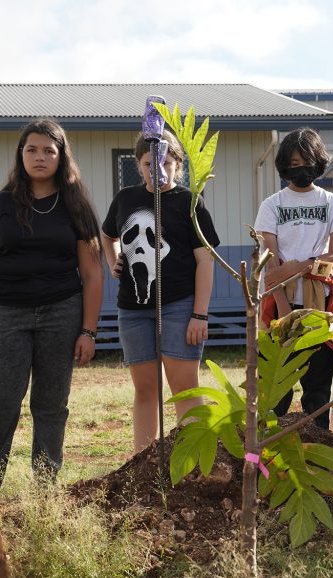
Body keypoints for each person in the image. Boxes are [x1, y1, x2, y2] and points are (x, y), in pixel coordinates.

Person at [0, 119, 103, 488]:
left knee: (50, 405)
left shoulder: (77, 207)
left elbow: (93, 275)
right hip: (7, 314)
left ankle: (45, 491)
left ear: (61, 157)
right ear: (21, 155)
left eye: (48, 150)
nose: (40, 157)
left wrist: (89, 330)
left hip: (62, 312)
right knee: (0, 403)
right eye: (32, 149)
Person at [101, 131, 219, 453]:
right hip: (133, 309)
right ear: (138, 164)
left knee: (184, 388)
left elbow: (205, 262)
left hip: (180, 307)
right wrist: (113, 260)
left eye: (165, 162)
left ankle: (193, 458)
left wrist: (199, 314)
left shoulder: (189, 203)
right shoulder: (125, 199)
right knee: (145, 390)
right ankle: (144, 462)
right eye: (148, 163)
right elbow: (107, 233)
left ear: (177, 163)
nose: (158, 169)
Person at [254, 128, 333, 430]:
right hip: (278, 301)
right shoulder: (271, 205)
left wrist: (296, 266)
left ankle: (320, 451)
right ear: (285, 164)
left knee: (318, 390)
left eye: (307, 161)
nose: (301, 168)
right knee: (275, 390)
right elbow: (270, 267)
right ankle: (265, 459)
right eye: (294, 163)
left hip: (320, 305)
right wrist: (284, 309)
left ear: (318, 161)